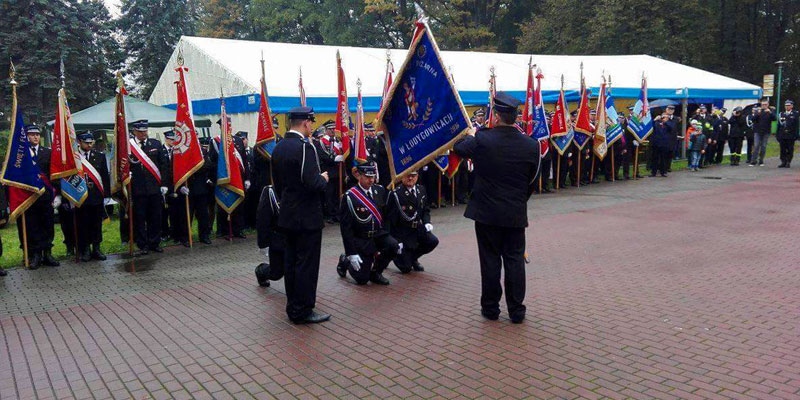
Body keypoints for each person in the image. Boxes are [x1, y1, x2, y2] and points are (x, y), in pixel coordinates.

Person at [452, 91, 540, 324]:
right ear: (515, 117)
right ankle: (517, 311)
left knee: (490, 260)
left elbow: (459, 149)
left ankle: (491, 309)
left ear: (496, 116)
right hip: (514, 212)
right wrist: (519, 200)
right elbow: (532, 181)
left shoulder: (482, 139)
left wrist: (471, 133)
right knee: (514, 260)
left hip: (487, 212)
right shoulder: (531, 145)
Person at [271, 106, 331, 324]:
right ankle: (303, 309)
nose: (312, 127)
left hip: (287, 215)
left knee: (291, 263)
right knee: (306, 265)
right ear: (306, 123)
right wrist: (323, 178)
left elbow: (277, 184)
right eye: (311, 123)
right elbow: (312, 182)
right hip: (307, 217)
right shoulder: (305, 148)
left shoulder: (279, 147)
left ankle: (293, 307)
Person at [336, 162, 399, 285]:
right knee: (362, 279)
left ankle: (376, 272)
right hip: (361, 239)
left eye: (373, 177)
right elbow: (346, 228)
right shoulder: (350, 196)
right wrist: (351, 252)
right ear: (359, 176)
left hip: (377, 235)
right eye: (367, 177)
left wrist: (389, 236)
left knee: (393, 246)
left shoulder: (380, 190)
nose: (371, 180)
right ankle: (345, 260)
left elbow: (385, 217)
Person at [18, 125, 59, 268]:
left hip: (46, 196)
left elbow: (54, 175)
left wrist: (57, 195)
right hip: (30, 197)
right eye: (32, 134)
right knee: (33, 226)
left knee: (47, 225)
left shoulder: (47, 153)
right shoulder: (21, 155)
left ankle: (47, 253)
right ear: (26, 136)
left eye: (37, 134)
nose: (35, 137)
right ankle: (35, 255)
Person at [386, 170, 438, 273]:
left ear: (417, 176)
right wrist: (397, 240)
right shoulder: (396, 194)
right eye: (407, 176)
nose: (410, 178)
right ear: (401, 177)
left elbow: (425, 209)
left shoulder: (421, 190)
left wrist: (427, 222)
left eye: (413, 176)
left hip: (418, 229)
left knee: (433, 241)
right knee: (406, 269)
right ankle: (395, 256)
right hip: (404, 232)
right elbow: (390, 219)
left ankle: (413, 258)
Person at [129, 119, 169, 255]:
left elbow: (164, 166)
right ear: (134, 131)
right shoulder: (129, 146)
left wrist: (164, 184)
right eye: (140, 132)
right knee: (140, 218)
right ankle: (142, 244)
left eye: (145, 131)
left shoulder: (155, 144)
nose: (143, 134)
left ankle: (154, 242)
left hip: (154, 188)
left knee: (155, 217)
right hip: (137, 189)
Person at [76, 132, 110, 261]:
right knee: (83, 224)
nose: (89, 145)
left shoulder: (99, 156)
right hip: (81, 196)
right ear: (80, 142)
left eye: (91, 143)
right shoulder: (75, 157)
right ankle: (85, 249)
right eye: (86, 143)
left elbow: (105, 177)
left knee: (96, 224)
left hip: (96, 196)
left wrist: (106, 195)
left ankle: (96, 248)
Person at [254, 184, 285, 287]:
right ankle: (261, 271)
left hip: (294, 237)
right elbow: (263, 219)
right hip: (278, 238)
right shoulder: (270, 191)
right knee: (276, 273)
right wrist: (263, 243)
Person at [750, 99, 776, 166]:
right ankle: (753, 161)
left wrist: (770, 112)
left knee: (763, 146)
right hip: (757, 131)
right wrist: (758, 113)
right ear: (761, 105)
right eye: (763, 104)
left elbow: (775, 119)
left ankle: (761, 161)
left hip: (766, 131)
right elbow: (752, 119)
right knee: (756, 146)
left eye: (765, 104)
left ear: (768, 105)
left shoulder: (771, 111)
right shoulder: (758, 111)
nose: (764, 106)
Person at [777, 100, 799, 168]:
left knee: (790, 149)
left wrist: (796, 135)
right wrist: (777, 135)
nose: (787, 107)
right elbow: (779, 125)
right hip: (782, 134)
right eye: (786, 105)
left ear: (792, 106)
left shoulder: (795, 114)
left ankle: (788, 161)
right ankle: (783, 161)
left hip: (791, 134)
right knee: (782, 149)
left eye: (789, 105)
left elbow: (796, 125)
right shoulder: (781, 114)